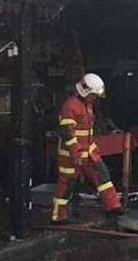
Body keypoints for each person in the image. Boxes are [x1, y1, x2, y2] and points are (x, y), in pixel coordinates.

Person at [51, 73, 122, 224]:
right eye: (94, 95)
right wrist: (75, 152)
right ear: (87, 92)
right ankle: (58, 216)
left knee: (103, 176)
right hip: (71, 155)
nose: (95, 99)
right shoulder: (70, 106)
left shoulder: (87, 105)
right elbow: (67, 132)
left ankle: (113, 207)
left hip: (88, 152)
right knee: (67, 184)